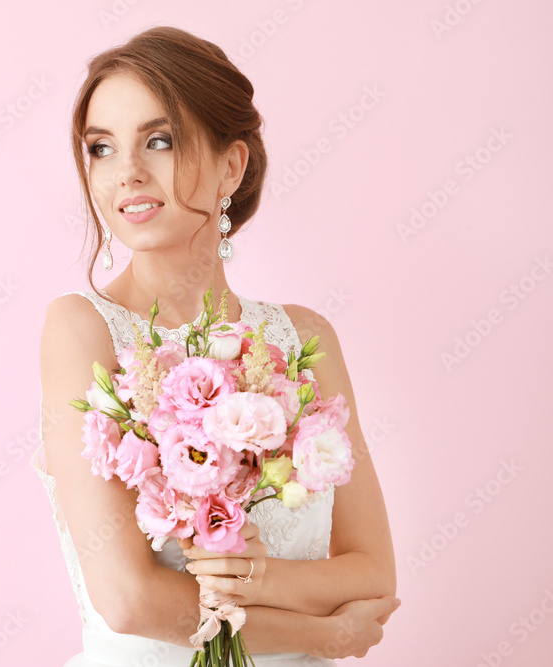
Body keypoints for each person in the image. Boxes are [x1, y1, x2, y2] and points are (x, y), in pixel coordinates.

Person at [30, 26, 399, 667]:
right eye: (101, 148)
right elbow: (130, 602)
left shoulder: (303, 339)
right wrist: (327, 634)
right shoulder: (82, 329)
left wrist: (259, 579)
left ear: (232, 165)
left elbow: (373, 573)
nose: (128, 174)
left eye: (160, 140)